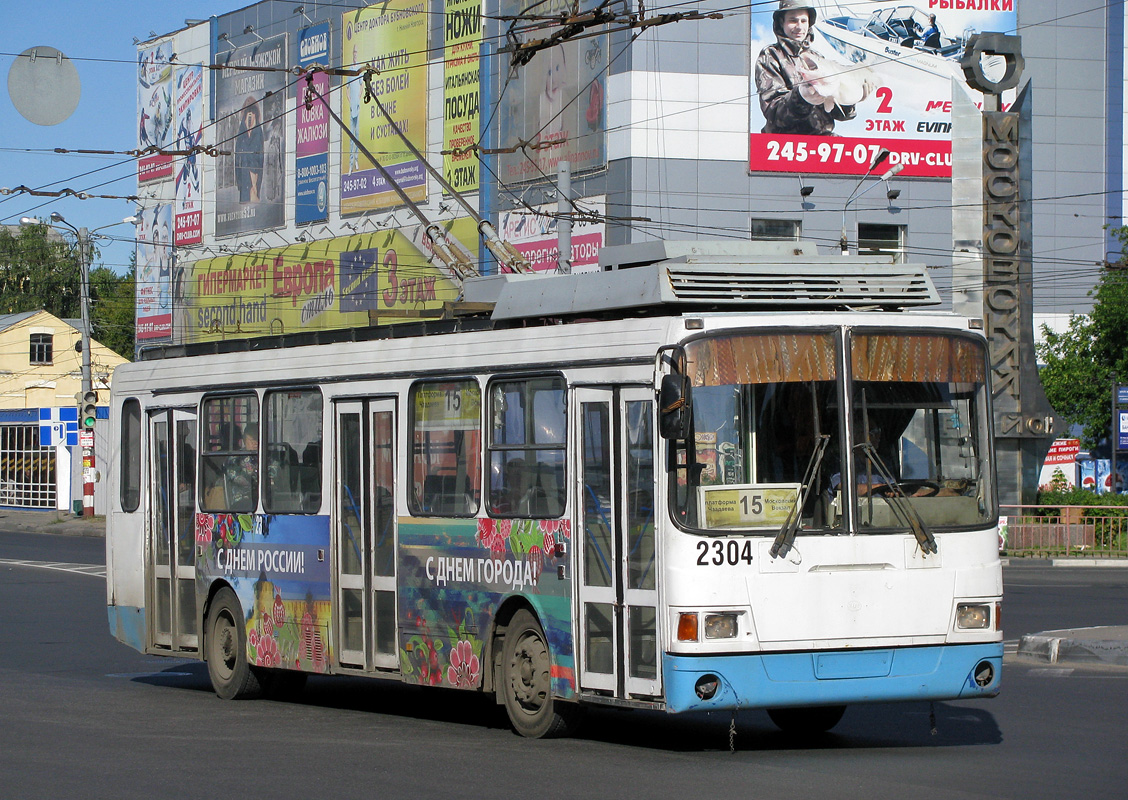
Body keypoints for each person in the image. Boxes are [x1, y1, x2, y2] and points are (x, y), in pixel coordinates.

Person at [754, 0, 870, 136]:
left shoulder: (818, 58)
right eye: (793, 20)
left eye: (804, 21)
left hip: (821, 142)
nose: (799, 27)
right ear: (781, 23)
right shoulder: (770, 55)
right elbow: (774, 114)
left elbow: (840, 115)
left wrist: (852, 98)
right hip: (785, 144)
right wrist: (801, 96)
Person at [234, 96, 264, 203]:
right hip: (244, 177)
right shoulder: (241, 130)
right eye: (248, 112)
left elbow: (260, 157)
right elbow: (237, 157)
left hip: (254, 178)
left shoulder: (258, 131)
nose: (250, 115)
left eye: (253, 112)